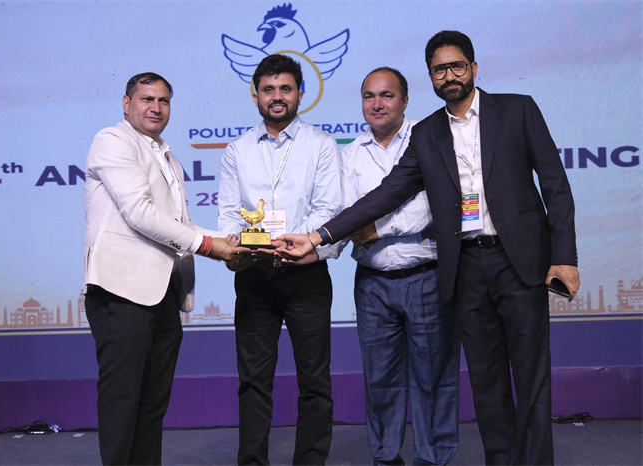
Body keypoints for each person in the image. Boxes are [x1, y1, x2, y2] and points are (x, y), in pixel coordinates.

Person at [277, 31, 580, 466]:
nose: (449, 75)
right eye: (440, 69)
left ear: (473, 68)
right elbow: (385, 195)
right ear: (431, 77)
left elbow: (556, 187)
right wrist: (318, 235)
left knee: (532, 377)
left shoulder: (518, 109)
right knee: (486, 379)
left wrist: (564, 257)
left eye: (457, 66)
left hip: (519, 263)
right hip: (465, 267)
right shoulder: (427, 133)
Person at [84, 72, 244, 466]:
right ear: (127, 104)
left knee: (153, 403)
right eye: (147, 99)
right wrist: (210, 246)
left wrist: (234, 241)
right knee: (122, 400)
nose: (156, 107)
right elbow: (140, 214)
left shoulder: (168, 157)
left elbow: (181, 225)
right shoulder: (112, 140)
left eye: (164, 100)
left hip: (164, 293)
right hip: (122, 291)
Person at [217, 54, 342, 466]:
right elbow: (229, 215)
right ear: (255, 95)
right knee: (253, 381)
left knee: (315, 383)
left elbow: (329, 210)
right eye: (268, 89)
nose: (276, 96)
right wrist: (237, 243)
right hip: (255, 275)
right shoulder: (237, 150)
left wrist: (296, 243)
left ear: (300, 94)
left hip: (306, 274)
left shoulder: (322, 145)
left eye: (285, 88)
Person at [336, 67, 460, 466]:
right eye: (369, 96)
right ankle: (385, 458)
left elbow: (430, 208)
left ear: (405, 100)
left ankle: (433, 460)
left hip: (427, 276)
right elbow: (347, 215)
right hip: (372, 283)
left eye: (386, 95)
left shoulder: (431, 140)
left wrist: (377, 227)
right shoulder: (348, 154)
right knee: (380, 382)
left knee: (434, 379)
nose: (377, 104)